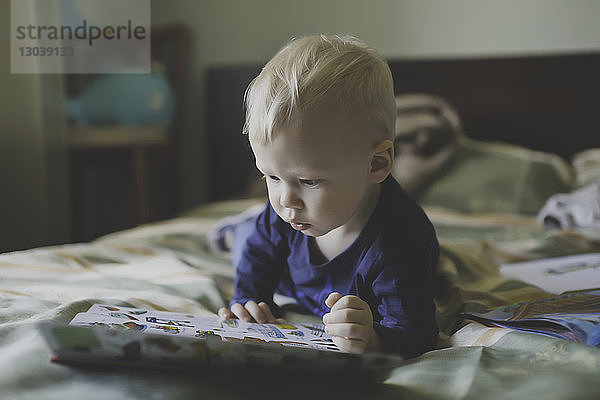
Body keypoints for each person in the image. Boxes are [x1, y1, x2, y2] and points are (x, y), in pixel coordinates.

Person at [215, 35, 439, 357]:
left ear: (376, 164)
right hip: (291, 273)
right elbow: (258, 257)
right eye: (272, 177)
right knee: (251, 237)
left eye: (308, 181)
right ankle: (234, 229)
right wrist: (249, 301)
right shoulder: (286, 212)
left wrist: (374, 339)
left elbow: (416, 332)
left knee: (255, 230)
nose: (286, 200)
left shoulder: (400, 242)